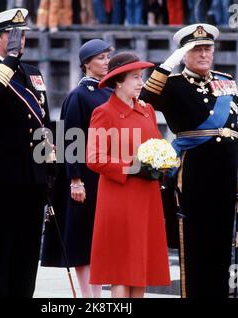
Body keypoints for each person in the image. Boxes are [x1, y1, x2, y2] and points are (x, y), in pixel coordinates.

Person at [140, 23, 238, 298]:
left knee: (221, 245)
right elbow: (144, 98)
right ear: (185, 53)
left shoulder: (226, 82)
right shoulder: (172, 84)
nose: (204, 54)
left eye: (208, 49)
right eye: (196, 49)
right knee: (194, 244)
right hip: (193, 175)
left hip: (227, 177)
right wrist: (169, 63)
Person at [0, 8, 51, 298]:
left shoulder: (33, 73)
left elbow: (45, 122)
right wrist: (11, 58)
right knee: (4, 244)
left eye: (24, 34)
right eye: (14, 35)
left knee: (29, 247)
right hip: (4, 173)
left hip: (33, 174)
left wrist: (50, 169)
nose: (21, 40)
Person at [86, 52, 171, 298]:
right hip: (119, 197)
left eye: (141, 76)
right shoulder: (104, 112)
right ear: (119, 81)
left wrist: (164, 162)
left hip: (146, 197)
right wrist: (133, 166)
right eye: (135, 77)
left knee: (140, 268)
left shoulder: (148, 110)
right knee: (122, 270)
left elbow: (157, 146)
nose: (141, 82)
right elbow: (94, 158)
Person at [41, 39, 113, 298]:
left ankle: (97, 291)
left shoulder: (110, 91)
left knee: (99, 237)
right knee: (83, 237)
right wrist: (74, 180)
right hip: (85, 175)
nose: (107, 62)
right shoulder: (79, 95)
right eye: (101, 58)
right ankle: (88, 295)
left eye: (108, 57)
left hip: (106, 174)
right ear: (86, 64)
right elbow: (69, 139)